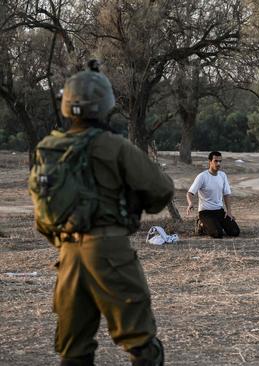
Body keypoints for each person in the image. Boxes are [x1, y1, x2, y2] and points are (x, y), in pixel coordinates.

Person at [33, 62, 171, 366]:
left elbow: (42, 210)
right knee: (142, 344)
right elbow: (160, 191)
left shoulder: (48, 148)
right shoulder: (114, 146)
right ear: (105, 104)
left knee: (73, 350)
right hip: (109, 251)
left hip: (67, 255)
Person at [186, 151, 240, 238]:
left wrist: (229, 211)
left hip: (219, 211)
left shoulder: (222, 175)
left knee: (235, 232)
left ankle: (217, 224)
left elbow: (226, 194)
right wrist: (190, 203)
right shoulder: (202, 176)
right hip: (205, 213)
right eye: (216, 161)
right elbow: (190, 193)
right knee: (217, 234)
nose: (218, 163)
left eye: (220, 161)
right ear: (210, 161)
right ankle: (201, 225)